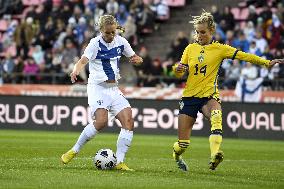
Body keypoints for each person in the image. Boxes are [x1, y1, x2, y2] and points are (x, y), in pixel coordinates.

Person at [171, 11, 284, 171]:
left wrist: (265, 62)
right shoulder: (190, 49)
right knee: (183, 144)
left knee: (217, 117)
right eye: (197, 32)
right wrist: (177, 69)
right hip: (189, 97)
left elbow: (244, 56)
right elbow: (179, 71)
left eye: (202, 32)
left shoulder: (220, 49)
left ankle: (215, 155)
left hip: (209, 96)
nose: (199, 35)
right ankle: (177, 155)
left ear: (211, 31)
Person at [61, 15, 143, 171]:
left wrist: (137, 59)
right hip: (97, 88)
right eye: (107, 33)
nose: (111, 36)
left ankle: (119, 161)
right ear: (101, 31)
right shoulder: (94, 44)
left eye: (113, 32)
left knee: (129, 122)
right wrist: (76, 70)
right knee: (101, 122)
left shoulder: (121, 41)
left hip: (113, 89)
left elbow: (134, 56)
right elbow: (83, 60)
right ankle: (74, 150)